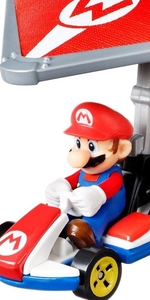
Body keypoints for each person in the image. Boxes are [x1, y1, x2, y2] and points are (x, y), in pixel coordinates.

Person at [46, 102, 133, 248]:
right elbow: (71, 180)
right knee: (61, 215)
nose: (80, 154)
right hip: (80, 204)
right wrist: (60, 186)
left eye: (92, 146)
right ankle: (55, 231)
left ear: (122, 149)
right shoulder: (82, 172)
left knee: (97, 218)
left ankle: (90, 236)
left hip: (109, 205)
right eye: (78, 143)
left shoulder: (114, 175)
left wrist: (96, 194)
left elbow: (110, 187)